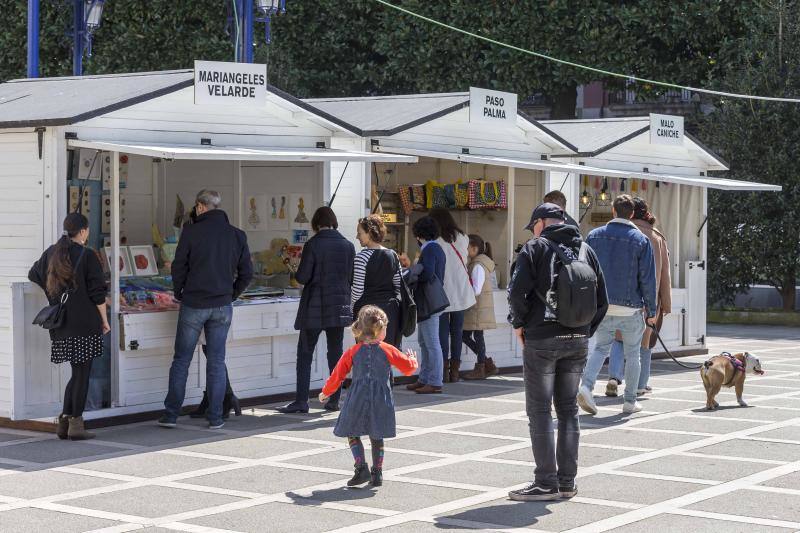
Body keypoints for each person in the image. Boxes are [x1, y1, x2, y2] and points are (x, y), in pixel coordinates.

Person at [507, 203, 608, 501]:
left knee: (539, 410)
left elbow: (515, 292)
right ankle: (566, 482)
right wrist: (584, 330)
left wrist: (521, 324)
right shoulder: (586, 250)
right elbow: (603, 298)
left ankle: (545, 482)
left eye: (533, 226)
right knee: (568, 410)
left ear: (540, 223)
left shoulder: (534, 248)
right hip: (577, 339)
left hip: (542, 339)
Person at [160, 190, 253, 430]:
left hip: (194, 303)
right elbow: (247, 274)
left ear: (201, 206)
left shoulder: (191, 232)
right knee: (216, 361)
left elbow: (178, 266)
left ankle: (171, 415)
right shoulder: (237, 235)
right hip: (222, 305)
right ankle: (215, 417)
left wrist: (180, 291)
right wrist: (231, 294)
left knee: (182, 359)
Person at [29, 213, 110, 441]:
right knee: (82, 374)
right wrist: (104, 321)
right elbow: (97, 294)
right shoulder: (88, 256)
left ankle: (65, 422)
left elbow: (33, 273)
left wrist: (53, 295)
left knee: (76, 372)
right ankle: (76, 424)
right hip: (85, 323)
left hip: (62, 323)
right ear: (83, 231)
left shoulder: (52, 252)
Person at [318, 306, 418, 487]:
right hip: (381, 399)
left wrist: (326, 392)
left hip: (357, 396)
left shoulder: (353, 351)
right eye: (386, 327)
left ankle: (360, 468)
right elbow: (408, 368)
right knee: (376, 434)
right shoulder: (388, 349)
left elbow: (337, 375)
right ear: (380, 330)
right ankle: (377, 472)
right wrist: (413, 359)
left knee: (352, 432)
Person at [578, 194, 657, 416]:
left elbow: (584, 271)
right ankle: (630, 400)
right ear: (631, 214)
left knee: (601, 348)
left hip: (602, 305)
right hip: (631, 306)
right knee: (633, 354)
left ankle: (586, 386)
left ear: (613, 211)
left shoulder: (593, 236)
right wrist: (651, 310)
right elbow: (648, 279)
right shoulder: (641, 240)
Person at [278, 207, 355, 413]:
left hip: (314, 306)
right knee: (336, 354)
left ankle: (301, 401)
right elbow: (351, 279)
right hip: (339, 306)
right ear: (333, 222)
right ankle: (334, 399)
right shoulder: (348, 246)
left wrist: (293, 270)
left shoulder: (313, 244)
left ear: (316, 224)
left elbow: (302, 277)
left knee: (305, 353)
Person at [605, 197, 672, 397]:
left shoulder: (620, 234)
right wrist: (666, 304)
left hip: (620, 296)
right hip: (648, 299)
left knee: (618, 338)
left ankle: (614, 377)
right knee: (645, 341)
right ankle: (641, 384)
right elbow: (664, 275)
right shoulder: (656, 237)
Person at [429, 209, 476, 383]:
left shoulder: (435, 241)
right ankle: (455, 372)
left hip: (443, 291)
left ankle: (443, 371)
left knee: (441, 332)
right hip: (461, 291)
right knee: (457, 332)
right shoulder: (463, 237)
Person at [405, 216, 446, 394]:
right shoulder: (437, 248)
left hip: (428, 302)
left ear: (419, 234)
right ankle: (425, 378)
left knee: (431, 342)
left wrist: (413, 272)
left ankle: (435, 380)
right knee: (425, 341)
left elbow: (427, 274)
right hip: (431, 301)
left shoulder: (429, 250)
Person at [351, 215, 402, 348]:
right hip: (389, 313)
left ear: (370, 232)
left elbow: (357, 292)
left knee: (367, 356)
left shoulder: (361, 257)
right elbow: (399, 286)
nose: (357, 237)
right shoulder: (393, 255)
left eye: (359, 233)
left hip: (367, 316)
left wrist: (351, 309)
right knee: (387, 355)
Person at [462, 234, 499, 380]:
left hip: (477, 307)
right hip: (479, 307)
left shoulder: (478, 265)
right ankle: (486, 364)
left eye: (467, 248)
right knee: (476, 336)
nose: (465, 251)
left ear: (474, 248)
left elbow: (476, 289)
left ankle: (482, 367)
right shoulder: (479, 263)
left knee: (470, 336)